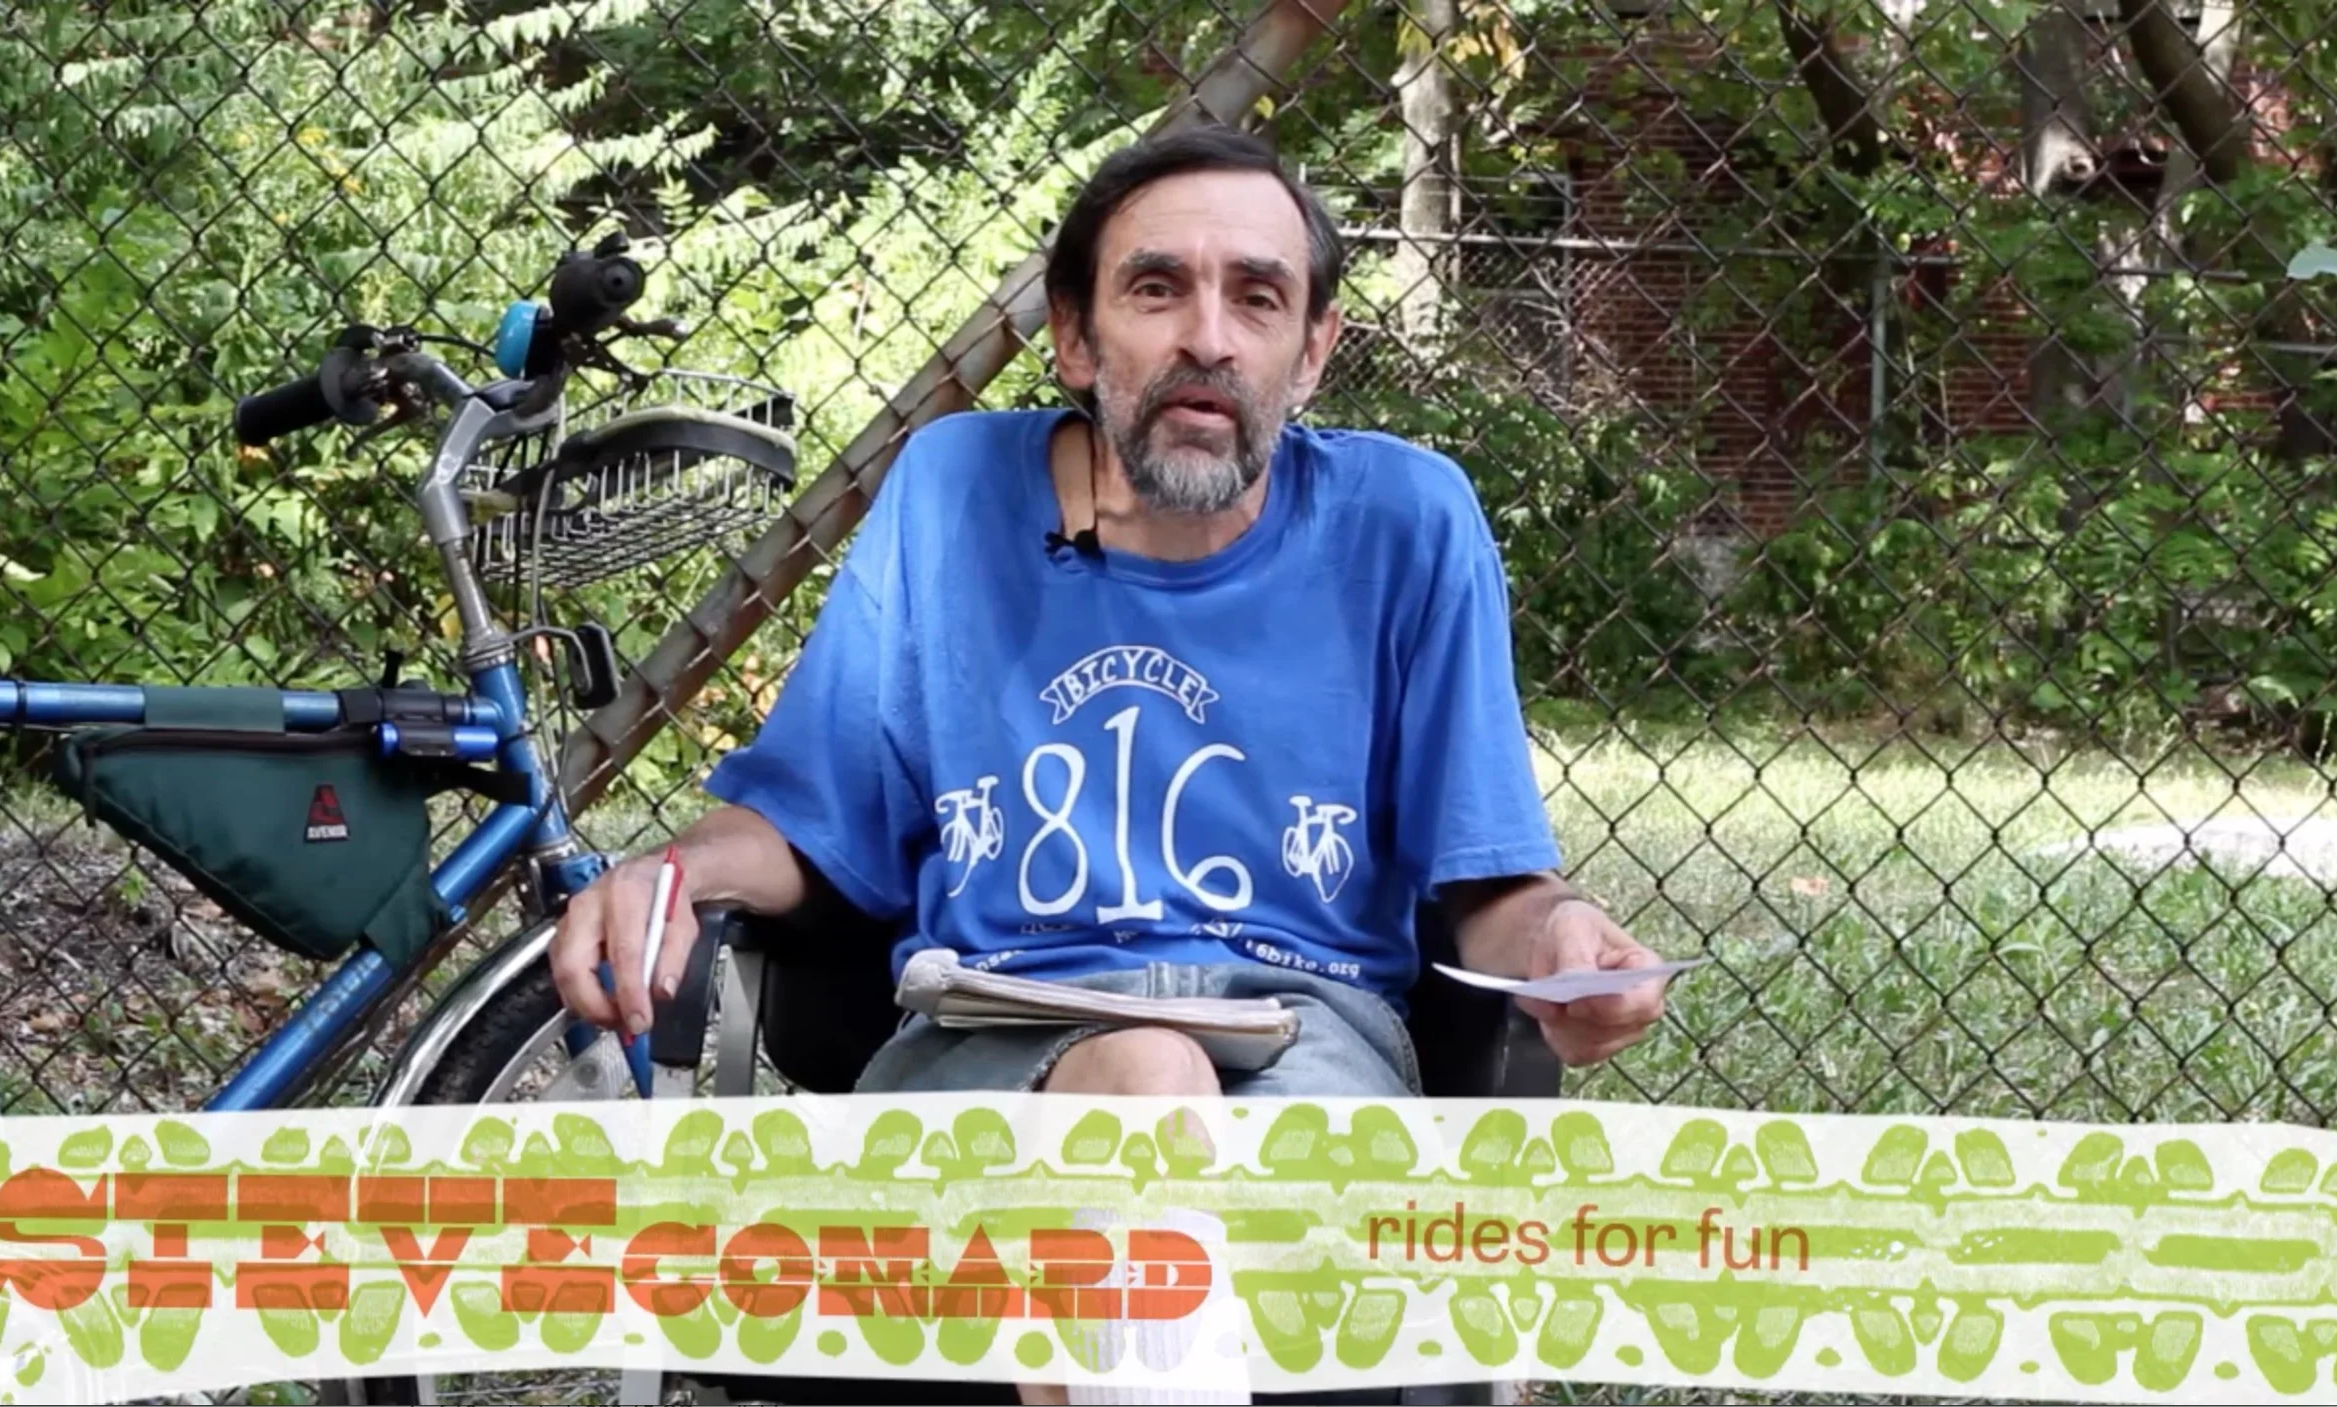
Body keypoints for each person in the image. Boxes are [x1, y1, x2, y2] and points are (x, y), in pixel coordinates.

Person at [549, 120, 1670, 1405]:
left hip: (1303, 1060)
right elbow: (808, 817)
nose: (1210, 337)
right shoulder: (952, 495)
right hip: (986, 1054)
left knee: (1152, 1102)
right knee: (1144, 1081)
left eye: (1258, 297)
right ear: (1075, 338)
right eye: (1157, 288)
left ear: (1312, 353)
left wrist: (1562, 936)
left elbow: (1493, 884)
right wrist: (670, 873)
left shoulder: (1406, 526)